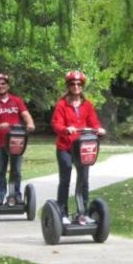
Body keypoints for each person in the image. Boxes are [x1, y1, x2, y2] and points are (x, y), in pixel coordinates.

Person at [51, 70, 106, 225]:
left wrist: (98, 129)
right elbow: (56, 124)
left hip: (82, 148)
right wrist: (65, 129)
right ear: (68, 86)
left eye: (78, 84)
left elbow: (93, 123)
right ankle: (62, 213)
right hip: (65, 147)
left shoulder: (87, 105)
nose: (76, 87)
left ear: (82, 86)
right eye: (72, 84)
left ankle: (83, 213)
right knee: (65, 180)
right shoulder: (62, 105)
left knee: (83, 180)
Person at [0, 72, 35, 203]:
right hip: (0, 142)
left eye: (3, 84)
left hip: (16, 141)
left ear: (8, 85)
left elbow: (25, 114)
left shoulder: (17, 101)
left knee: (16, 170)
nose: (1, 86)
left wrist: (30, 123)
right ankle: (0, 195)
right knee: (1, 169)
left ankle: (15, 194)